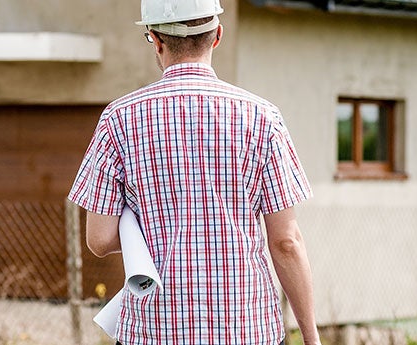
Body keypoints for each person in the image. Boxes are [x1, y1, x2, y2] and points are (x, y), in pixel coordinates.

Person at [68, 0, 320, 343]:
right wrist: (311, 337)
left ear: (156, 41)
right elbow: (286, 242)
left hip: (153, 331)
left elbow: (99, 240)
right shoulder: (263, 119)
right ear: (217, 35)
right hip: (245, 330)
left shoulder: (119, 119)